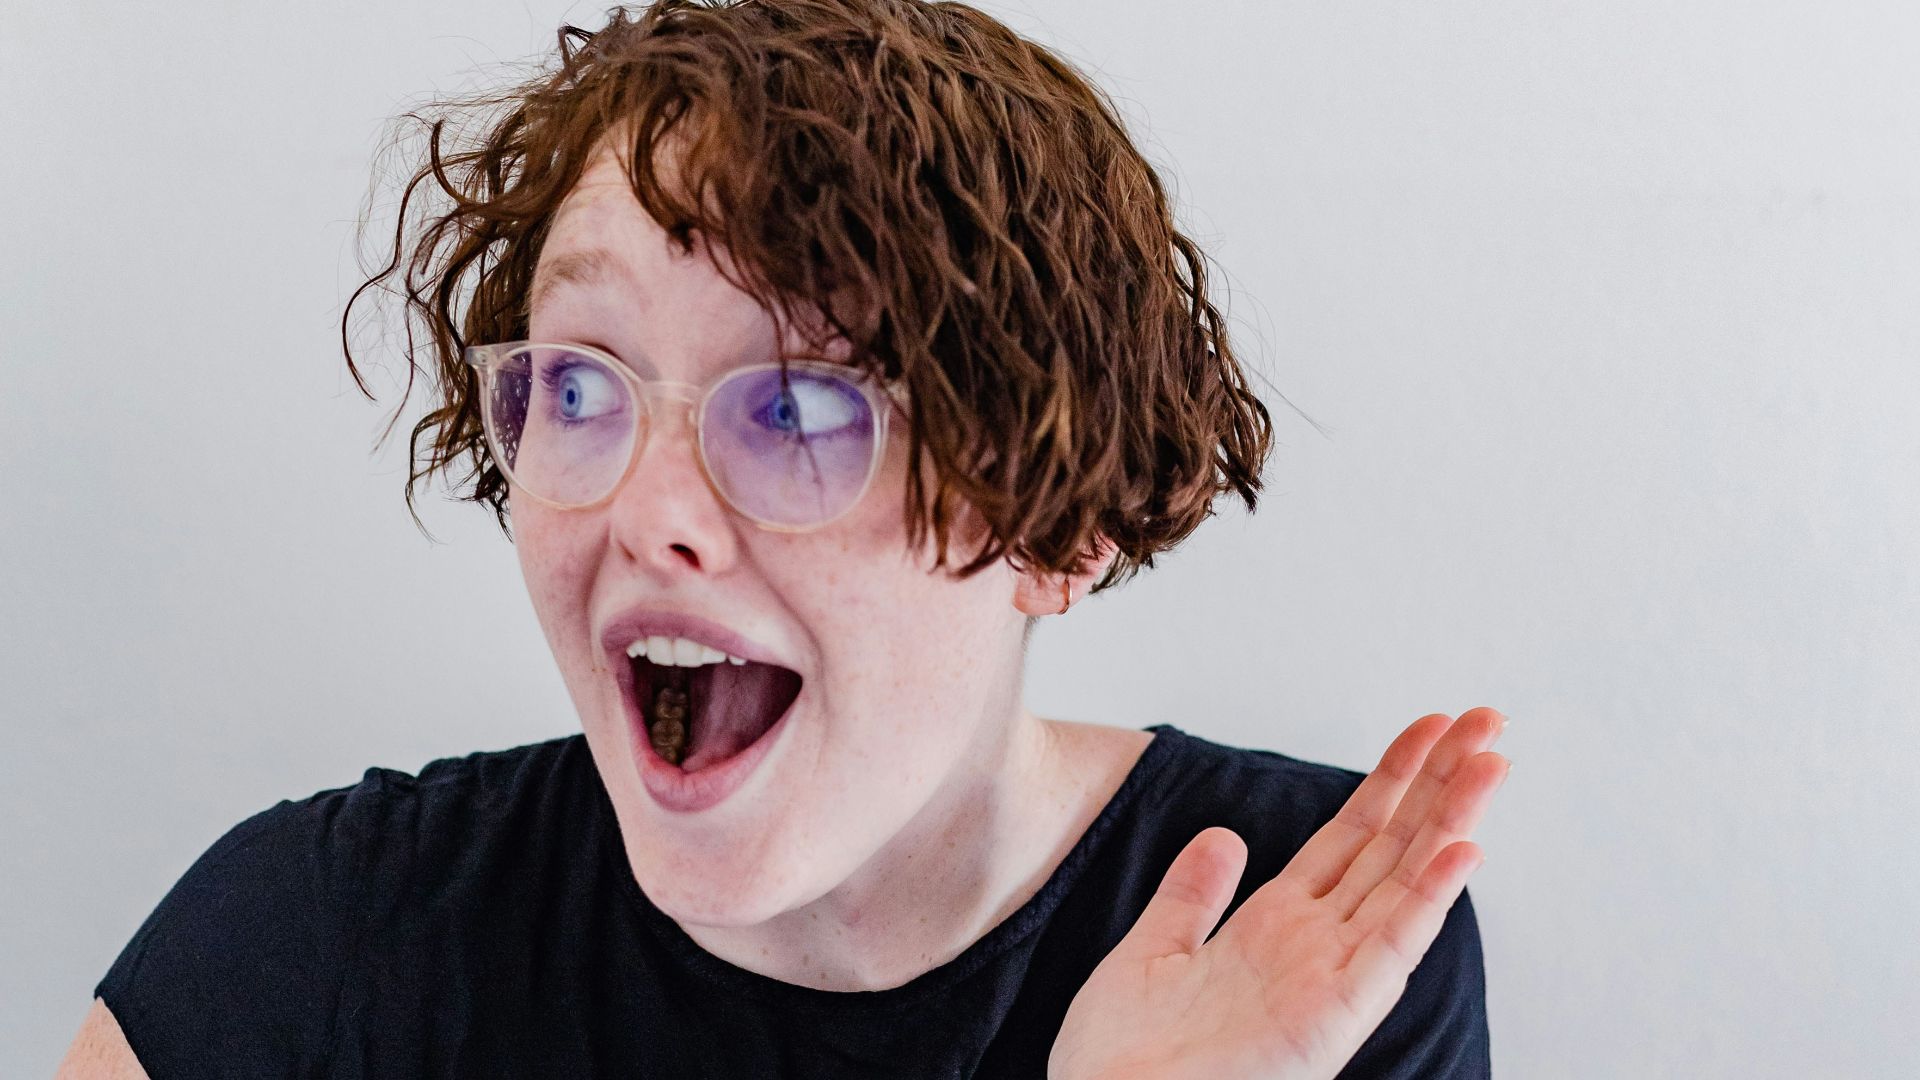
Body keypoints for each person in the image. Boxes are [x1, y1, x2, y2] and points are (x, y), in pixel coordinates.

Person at [58, 1, 1510, 1076]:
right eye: (579, 383)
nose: (648, 514)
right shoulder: (310, 950)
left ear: (1047, 528)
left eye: (805, 408)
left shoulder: (1297, 943)